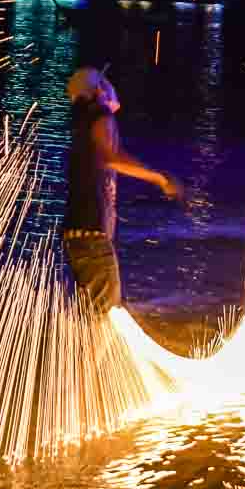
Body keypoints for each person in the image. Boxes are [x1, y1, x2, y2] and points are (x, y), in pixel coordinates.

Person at [62, 67, 183, 312]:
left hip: (76, 236)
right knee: (106, 315)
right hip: (92, 236)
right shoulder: (100, 116)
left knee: (94, 312)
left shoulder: (81, 123)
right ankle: (93, 351)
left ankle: (84, 350)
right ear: (98, 90)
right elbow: (111, 157)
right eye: (105, 83)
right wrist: (159, 178)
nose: (110, 87)